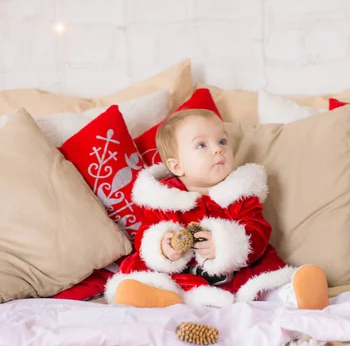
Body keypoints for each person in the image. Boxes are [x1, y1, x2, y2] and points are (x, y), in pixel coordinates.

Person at [105, 109, 329, 310]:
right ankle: (154, 297)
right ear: (176, 166)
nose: (218, 150)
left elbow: (258, 230)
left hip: (238, 274)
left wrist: (226, 244)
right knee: (147, 270)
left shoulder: (239, 193)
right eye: (202, 145)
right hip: (184, 277)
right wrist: (163, 247)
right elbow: (147, 232)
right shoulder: (164, 197)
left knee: (264, 279)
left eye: (222, 142)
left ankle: (294, 294)